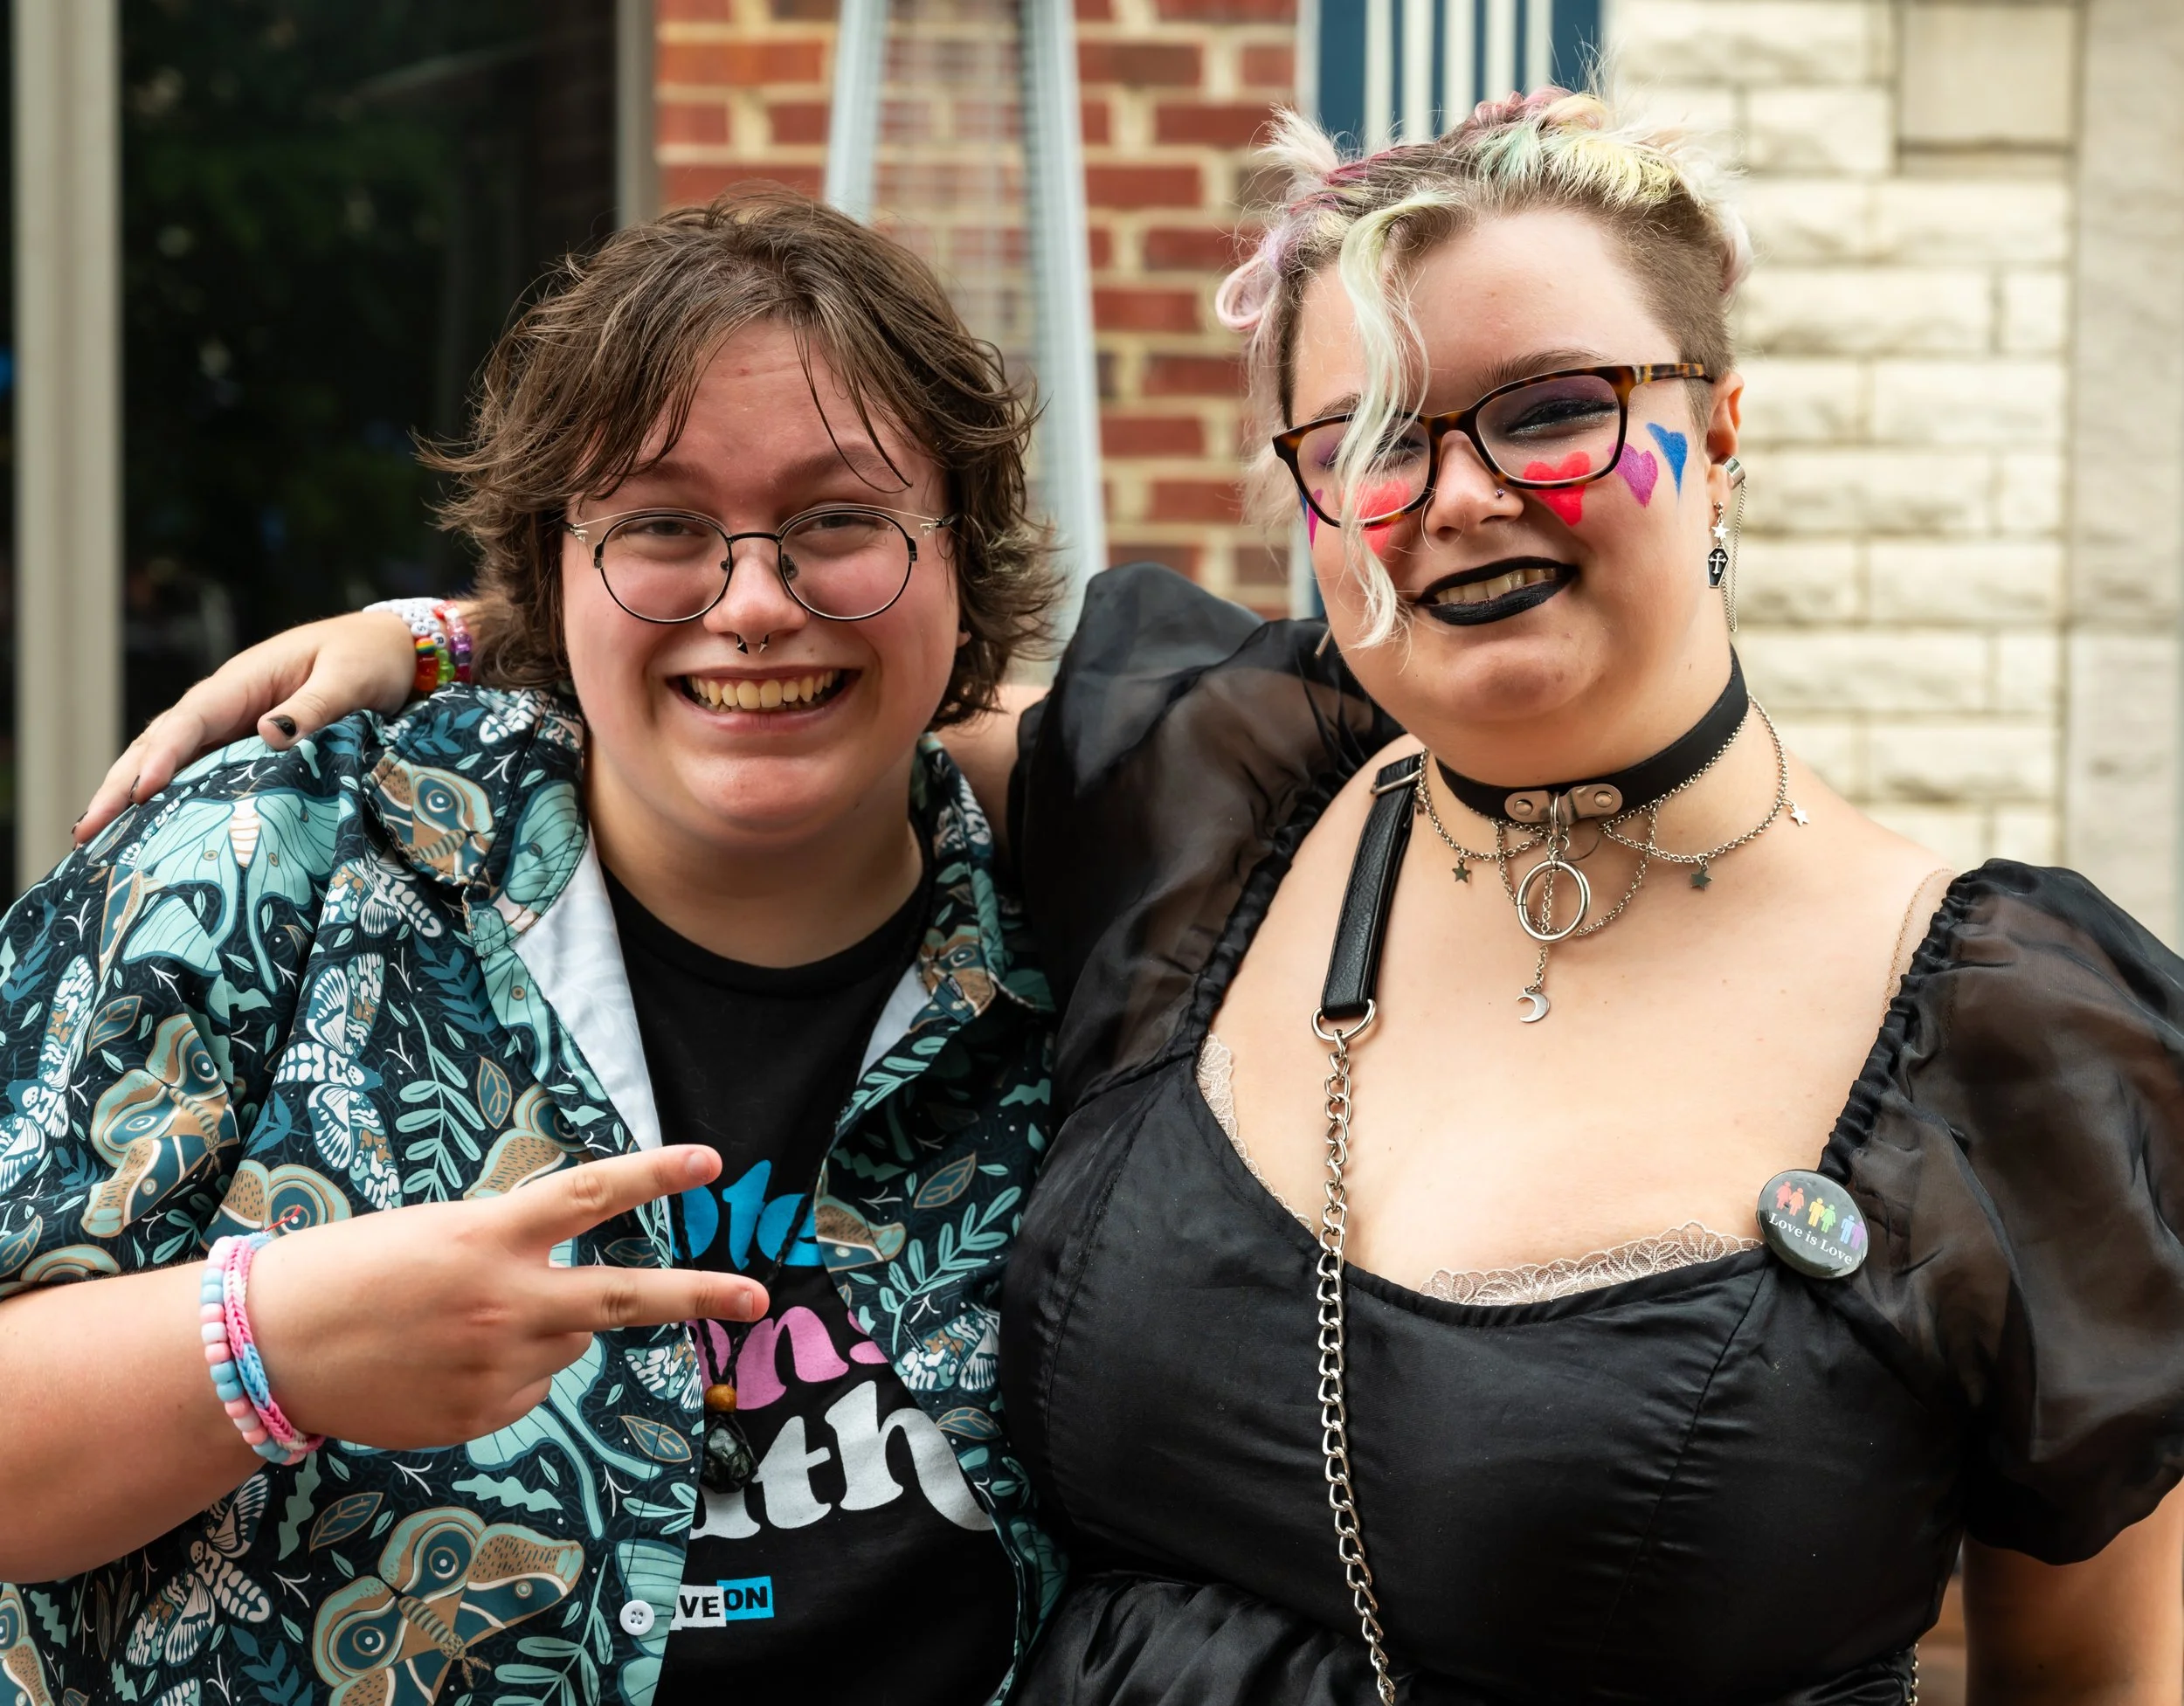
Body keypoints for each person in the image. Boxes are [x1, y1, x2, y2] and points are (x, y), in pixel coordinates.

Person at [81, 93, 2184, 1701]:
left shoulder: (2013, 1026)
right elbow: (779, 657)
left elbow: (2099, 1667)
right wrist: (449, 633)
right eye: (1360, 439)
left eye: (1547, 410)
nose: (1445, 491)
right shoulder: (1221, 794)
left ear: (1714, 435)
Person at [2, 190, 1064, 1706]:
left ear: (961, 561)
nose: (754, 602)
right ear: (548, 573)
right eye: (660, 530)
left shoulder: (1108, 930)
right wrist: (271, 1345)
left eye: (840, 522)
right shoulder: (271, 859)